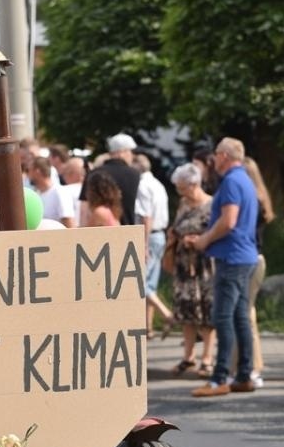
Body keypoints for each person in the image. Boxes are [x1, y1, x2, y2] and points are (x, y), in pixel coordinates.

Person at [185, 137, 259, 397]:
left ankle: (219, 379)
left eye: (216, 153)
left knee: (223, 317)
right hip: (244, 255)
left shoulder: (231, 182)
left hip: (232, 256)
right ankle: (244, 375)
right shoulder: (245, 179)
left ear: (225, 156)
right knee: (239, 317)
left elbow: (229, 221)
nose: (213, 158)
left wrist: (204, 239)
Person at [230, 157, 275, 387]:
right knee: (247, 314)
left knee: (244, 316)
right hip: (258, 259)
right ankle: (246, 365)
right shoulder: (260, 199)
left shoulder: (248, 201)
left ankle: (248, 367)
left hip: (248, 260)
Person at [167, 163, 215, 377]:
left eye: (182, 187)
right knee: (186, 311)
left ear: (194, 184)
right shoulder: (184, 204)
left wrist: (198, 240)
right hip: (184, 265)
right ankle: (188, 357)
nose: (180, 192)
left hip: (204, 264)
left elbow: (217, 232)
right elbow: (177, 227)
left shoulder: (212, 204)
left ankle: (207, 358)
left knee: (205, 311)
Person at [133, 153, 174, 337]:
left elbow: (146, 216)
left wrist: (143, 242)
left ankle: (167, 314)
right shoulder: (157, 184)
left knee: (140, 284)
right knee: (151, 283)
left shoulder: (142, 185)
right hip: (159, 235)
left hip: (149, 236)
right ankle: (148, 326)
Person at [81, 134, 140, 225]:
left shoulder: (94, 173)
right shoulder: (135, 174)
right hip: (129, 230)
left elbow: (84, 209)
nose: (133, 155)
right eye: (130, 151)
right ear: (121, 152)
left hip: (99, 230)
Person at [29, 155, 75, 227]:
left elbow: (69, 223)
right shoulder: (36, 194)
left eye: (29, 170)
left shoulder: (60, 192)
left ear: (37, 171)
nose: (28, 174)